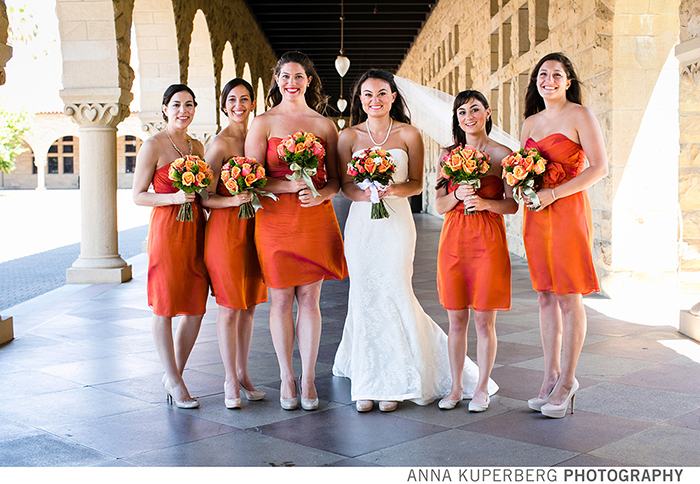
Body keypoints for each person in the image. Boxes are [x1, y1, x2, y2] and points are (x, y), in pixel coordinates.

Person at [331, 70, 498, 413]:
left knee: (394, 288)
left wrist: (391, 189)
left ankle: (393, 381)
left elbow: (418, 184)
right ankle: (367, 379)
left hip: (396, 222)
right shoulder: (347, 136)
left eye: (381, 93)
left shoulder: (410, 134)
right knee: (363, 293)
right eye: (367, 95)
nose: (374, 100)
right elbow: (344, 186)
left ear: (393, 97)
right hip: (363, 223)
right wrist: (365, 195)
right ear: (360, 100)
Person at [245, 51, 347, 411]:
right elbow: (252, 179)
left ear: (308, 80)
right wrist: (289, 186)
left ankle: (308, 380)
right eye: (285, 76)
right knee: (281, 300)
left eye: (299, 76)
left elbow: (337, 179)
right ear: (276, 79)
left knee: (310, 300)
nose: (292, 83)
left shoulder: (323, 125)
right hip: (275, 221)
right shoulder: (262, 123)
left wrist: (319, 192)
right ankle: (286, 376)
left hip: (314, 218)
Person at [520, 52, 608, 418]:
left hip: (567, 210)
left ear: (568, 81)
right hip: (536, 214)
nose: (549, 80)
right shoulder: (529, 122)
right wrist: (521, 188)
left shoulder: (580, 116)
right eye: (543, 74)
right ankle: (549, 376)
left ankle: (569, 380)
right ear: (536, 81)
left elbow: (600, 168)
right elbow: (521, 167)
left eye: (557, 74)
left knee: (569, 295)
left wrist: (554, 193)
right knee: (544, 295)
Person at [434, 90, 518, 412]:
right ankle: (456, 387)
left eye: (474, 110)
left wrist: (484, 202)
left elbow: (511, 205)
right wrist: (458, 194)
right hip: (454, 239)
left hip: (488, 239)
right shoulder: (448, 155)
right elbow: (440, 205)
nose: (468, 117)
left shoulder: (503, 154)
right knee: (456, 319)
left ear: (487, 112)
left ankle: (481, 387)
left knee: (484, 320)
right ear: (456, 119)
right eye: (461, 113)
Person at [132, 84, 209, 409]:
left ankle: (173, 373)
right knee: (164, 305)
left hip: (196, 230)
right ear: (165, 108)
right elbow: (138, 195)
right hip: (166, 232)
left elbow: (205, 194)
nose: (183, 110)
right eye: (176, 104)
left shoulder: (198, 147)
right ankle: (175, 380)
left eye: (189, 104)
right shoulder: (153, 145)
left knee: (195, 308)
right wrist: (173, 197)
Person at [201, 78, 268, 409]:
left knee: (250, 305)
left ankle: (243, 373)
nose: (238, 105)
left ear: (252, 103)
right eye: (232, 100)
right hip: (226, 232)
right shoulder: (220, 145)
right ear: (223, 105)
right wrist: (233, 200)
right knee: (229, 307)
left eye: (244, 99)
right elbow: (203, 197)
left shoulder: (257, 138)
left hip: (256, 230)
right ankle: (228, 378)